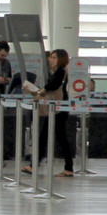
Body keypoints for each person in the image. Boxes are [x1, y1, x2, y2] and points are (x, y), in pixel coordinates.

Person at [24, 49, 74, 177]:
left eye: (54, 57)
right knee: (56, 138)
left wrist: (39, 92)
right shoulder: (58, 72)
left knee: (48, 137)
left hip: (57, 109)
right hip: (57, 109)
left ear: (61, 59)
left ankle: (34, 165)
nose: (50, 59)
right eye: (51, 57)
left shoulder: (60, 72)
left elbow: (52, 85)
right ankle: (67, 167)